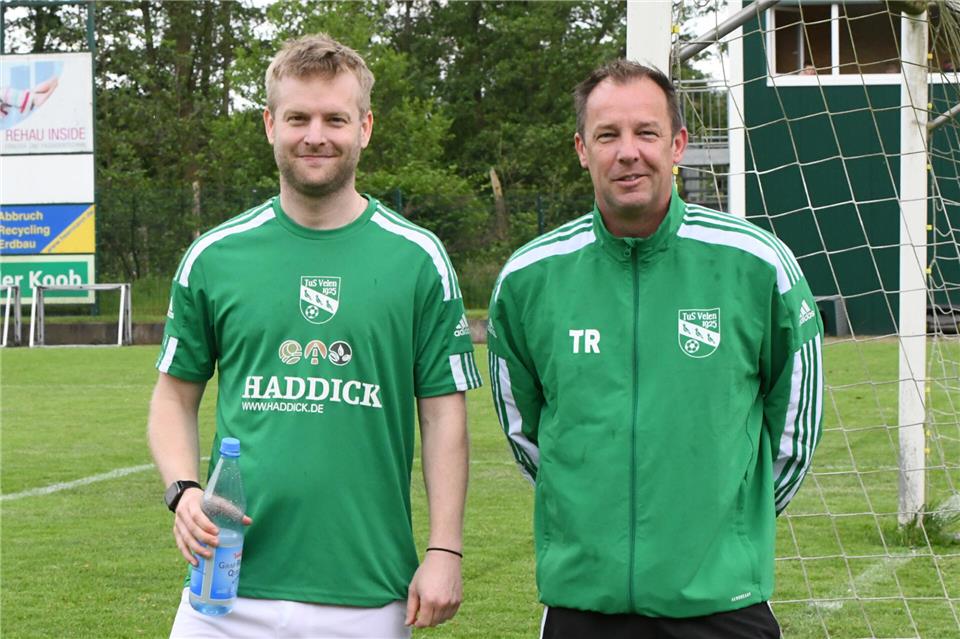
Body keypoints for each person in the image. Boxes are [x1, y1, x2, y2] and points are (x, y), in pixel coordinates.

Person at [148, 33, 481, 639]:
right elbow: (173, 396)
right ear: (270, 124)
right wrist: (183, 491)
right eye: (298, 117)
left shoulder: (418, 258)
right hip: (223, 589)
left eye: (336, 118)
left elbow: (442, 416)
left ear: (366, 127)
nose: (315, 135)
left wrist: (445, 550)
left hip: (366, 595)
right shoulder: (215, 255)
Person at [487, 59, 823, 638]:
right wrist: (588, 511)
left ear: (678, 145)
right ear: (581, 149)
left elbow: (795, 422)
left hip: (722, 599)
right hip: (583, 603)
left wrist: (729, 524)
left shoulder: (758, 264)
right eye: (607, 135)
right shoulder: (528, 277)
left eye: (646, 132)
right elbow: (525, 431)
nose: (628, 152)